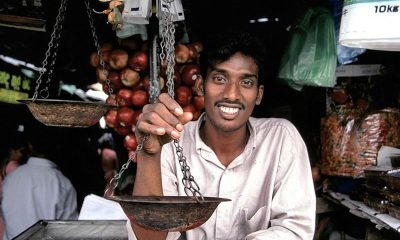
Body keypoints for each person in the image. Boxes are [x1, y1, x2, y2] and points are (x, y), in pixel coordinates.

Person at [131, 32, 316, 240]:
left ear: (259, 94)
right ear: (201, 86)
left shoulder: (281, 139)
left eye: (246, 83)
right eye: (220, 79)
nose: (231, 94)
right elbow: (151, 238)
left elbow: (295, 231)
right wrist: (148, 155)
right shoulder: (170, 141)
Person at [1, 126, 78, 240]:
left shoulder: (11, 178)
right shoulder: (63, 185)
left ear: (30, 146)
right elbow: (69, 232)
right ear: (59, 147)